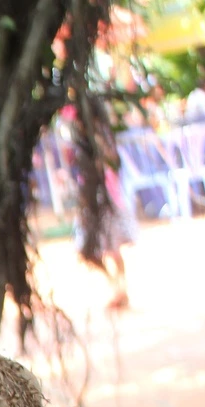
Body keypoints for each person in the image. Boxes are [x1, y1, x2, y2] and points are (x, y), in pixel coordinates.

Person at [64, 99, 137, 311]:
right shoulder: (83, 141)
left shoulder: (100, 139)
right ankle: (116, 288)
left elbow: (110, 166)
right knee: (92, 251)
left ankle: (121, 291)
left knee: (113, 249)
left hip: (106, 198)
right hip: (92, 199)